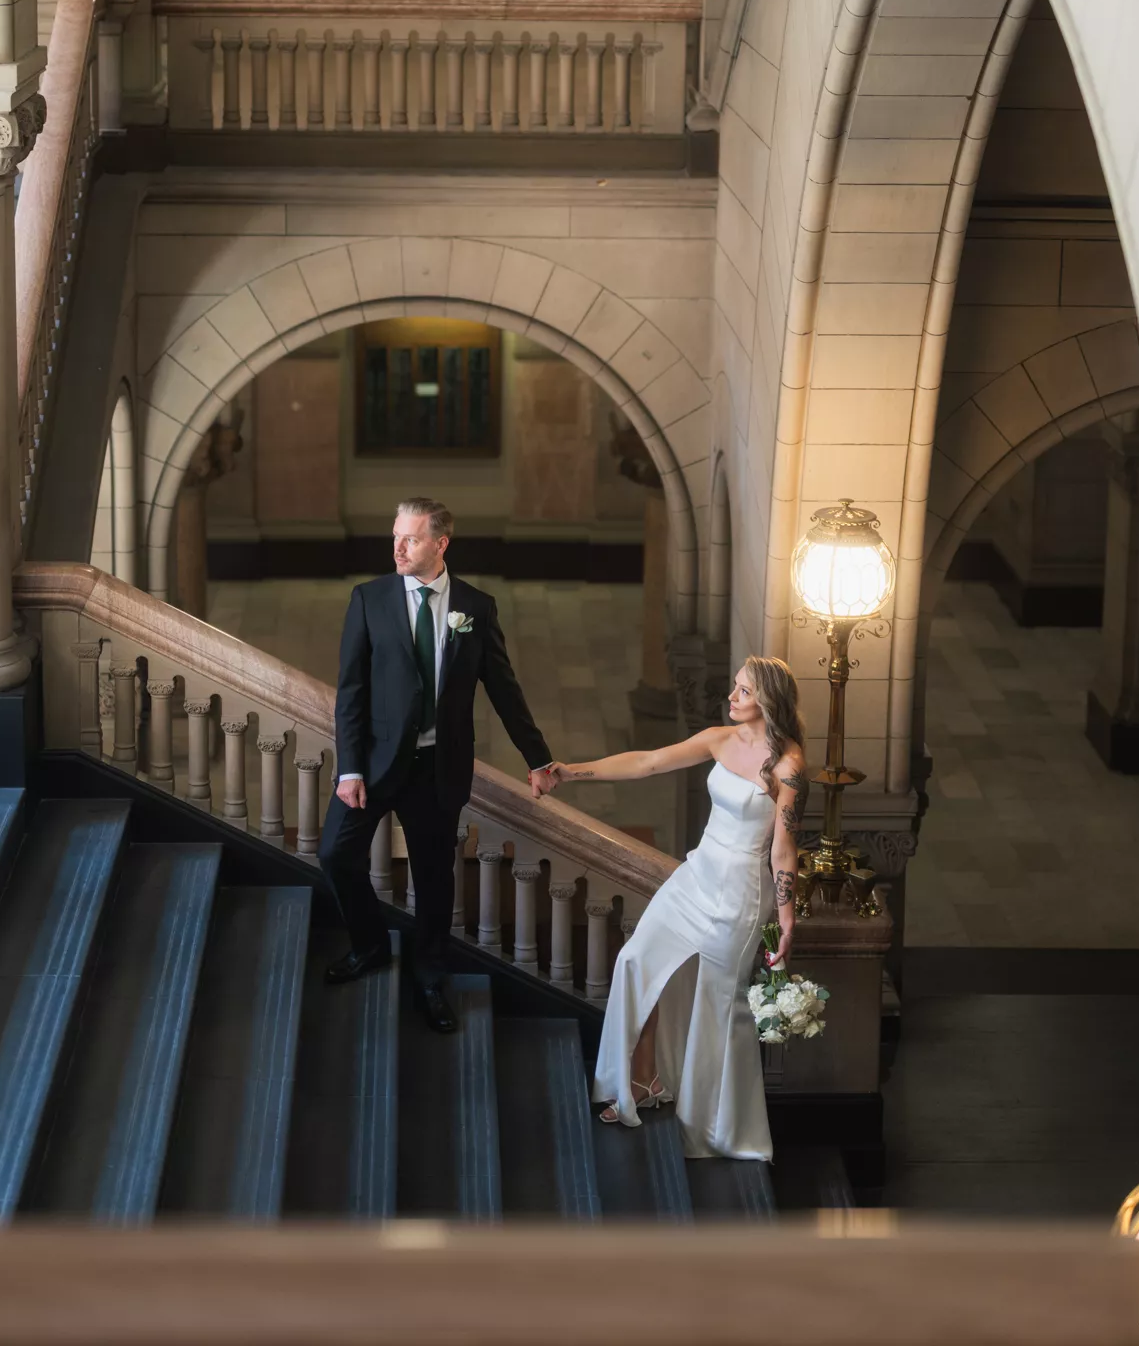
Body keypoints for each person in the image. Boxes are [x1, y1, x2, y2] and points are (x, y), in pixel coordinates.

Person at [542, 656, 806, 1161]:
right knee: (635, 960)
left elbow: (783, 850)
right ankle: (639, 1080)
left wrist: (786, 920)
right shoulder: (719, 738)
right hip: (696, 875)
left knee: (717, 1003)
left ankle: (714, 1127)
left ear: (767, 702)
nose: (731, 697)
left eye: (743, 691)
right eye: (734, 686)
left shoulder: (788, 767)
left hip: (740, 895)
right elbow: (648, 761)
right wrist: (572, 772)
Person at [318, 497, 556, 1033]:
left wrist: (537, 757)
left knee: (434, 880)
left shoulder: (476, 606)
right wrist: (350, 768)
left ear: (440, 544)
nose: (398, 547)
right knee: (335, 854)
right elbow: (351, 692)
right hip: (376, 764)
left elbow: (504, 690)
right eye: (396, 535)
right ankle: (370, 946)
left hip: (436, 769)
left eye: (412, 538)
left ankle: (429, 976)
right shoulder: (369, 600)